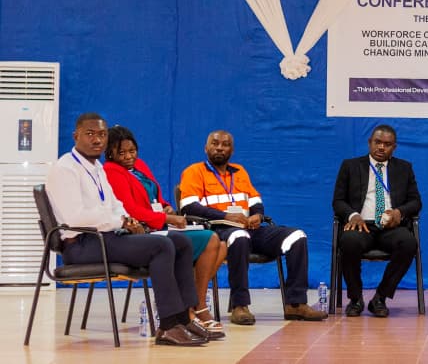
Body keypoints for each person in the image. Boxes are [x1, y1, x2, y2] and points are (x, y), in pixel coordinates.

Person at [46, 113, 208, 346]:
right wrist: (119, 222)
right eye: (90, 134)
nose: (97, 140)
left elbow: (115, 205)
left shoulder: (97, 168)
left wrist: (128, 221)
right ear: (76, 136)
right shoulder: (65, 169)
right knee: (161, 245)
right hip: (82, 244)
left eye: (101, 134)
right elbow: (76, 217)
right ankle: (169, 325)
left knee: (181, 242)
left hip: (105, 237)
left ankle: (184, 317)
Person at [179, 130, 326, 325]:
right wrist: (226, 216)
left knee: (296, 236)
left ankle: (295, 304)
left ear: (232, 150)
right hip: (217, 230)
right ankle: (240, 306)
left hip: (249, 228)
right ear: (206, 148)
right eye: (215, 143)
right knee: (240, 237)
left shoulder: (239, 172)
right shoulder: (194, 171)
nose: (220, 148)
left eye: (225, 144)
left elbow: (255, 200)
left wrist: (257, 214)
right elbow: (188, 206)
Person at [103, 125, 226, 339]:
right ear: (110, 153)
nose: (128, 156)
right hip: (143, 231)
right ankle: (192, 308)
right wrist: (167, 218)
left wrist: (166, 206)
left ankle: (193, 305)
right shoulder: (111, 171)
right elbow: (130, 209)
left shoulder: (139, 166)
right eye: (121, 152)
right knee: (210, 239)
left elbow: (154, 198)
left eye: (132, 151)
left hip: (159, 225)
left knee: (221, 245)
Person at [332, 125, 422, 318]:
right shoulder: (350, 166)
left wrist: (399, 212)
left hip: (390, 227)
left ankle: (380, 297)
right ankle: (355, 299)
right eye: (378, 142)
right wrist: (352, 215)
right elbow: (338, 201)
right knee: (348, 241)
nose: (381, 147)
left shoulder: (404, 168)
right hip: (361, 224)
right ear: (369, 143)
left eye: (387, 144)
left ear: (394, 148)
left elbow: (416, 202)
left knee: (409, 243)